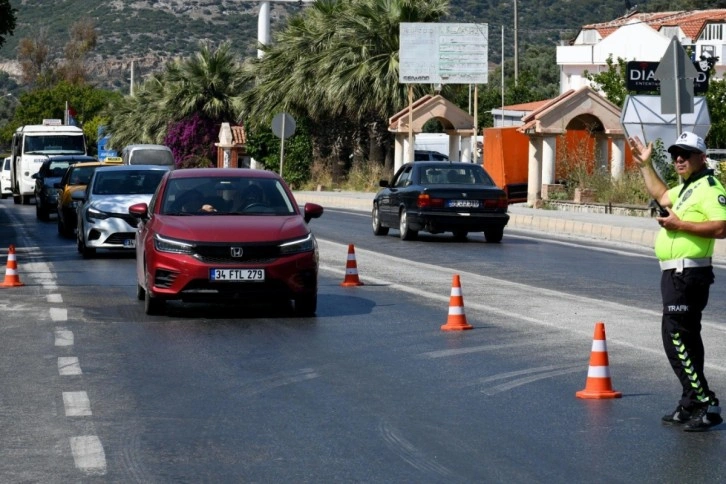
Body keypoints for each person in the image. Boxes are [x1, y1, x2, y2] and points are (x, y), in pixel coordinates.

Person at [628, 131, 726, 432]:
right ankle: (689, 402)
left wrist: (679, 224)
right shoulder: (687, 188)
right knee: (685, 338)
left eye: (685, 154)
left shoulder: (709, 186)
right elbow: (661, 195)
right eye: (675, 154)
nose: (679, 159)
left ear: (701, 157)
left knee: (676, 337)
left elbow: (721, 226)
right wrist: (646, 165)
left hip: (689, 274)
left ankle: (705, 403)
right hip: (674, 273)